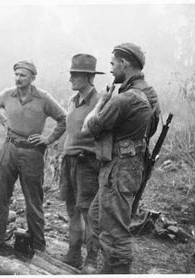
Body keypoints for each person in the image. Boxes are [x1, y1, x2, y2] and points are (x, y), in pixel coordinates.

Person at [82, 43, 156, 274]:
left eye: (113, 63)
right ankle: (96, 264)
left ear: (124, 63)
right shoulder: (147, 93)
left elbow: (88, 128)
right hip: (125, 165)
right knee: (96, 216)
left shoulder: (124, 99)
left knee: (115, 232)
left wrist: (103, 101)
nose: (111, 69)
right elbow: (151, 128)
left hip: (119, 169)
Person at [0, 60, 66, 253]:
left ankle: (38, 246)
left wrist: (48, 139)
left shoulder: (43, 98)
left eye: (23, 75)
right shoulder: (7, 94)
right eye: (17, 75)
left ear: (33, 78)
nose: (18, 79)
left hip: (32, 152)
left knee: (33, 201)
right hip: (9, 149)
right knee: (1, 198)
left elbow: (63, 118)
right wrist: (5, 122)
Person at [59, 54, 103, 271]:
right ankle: (74, 252)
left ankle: (92, 259)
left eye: (74, 75)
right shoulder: (73, 100)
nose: (70, 80)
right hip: (69, 161)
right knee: (72, 210)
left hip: (87, 163)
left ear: (87, 77)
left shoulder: (100, 101)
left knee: (88, 212)